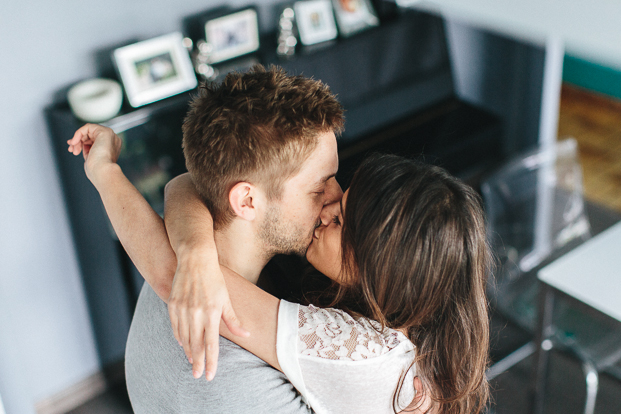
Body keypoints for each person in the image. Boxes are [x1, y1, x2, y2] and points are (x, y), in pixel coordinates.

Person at [68, 65, 344, 414]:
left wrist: (194, 250)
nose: (337, 196)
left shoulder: (179, 258)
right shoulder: (234, 384)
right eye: (320, 185)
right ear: (246, 201)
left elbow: (185, 182)